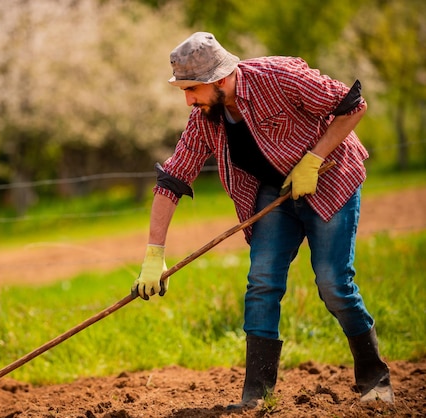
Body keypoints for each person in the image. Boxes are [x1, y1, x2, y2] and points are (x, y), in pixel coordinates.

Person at [131, 32, 394, 410]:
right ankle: (257, 395)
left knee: (333, 282)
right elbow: (173, 178)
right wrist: (154, 255)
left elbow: (353, 104)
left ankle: (375, 379)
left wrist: (315, 159)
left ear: (221, 79)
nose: (188, 100)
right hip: (275, 193)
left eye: (193, 89)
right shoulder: (206, 117)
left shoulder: (280, 77)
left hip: (330, 178)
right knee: (262, 282)